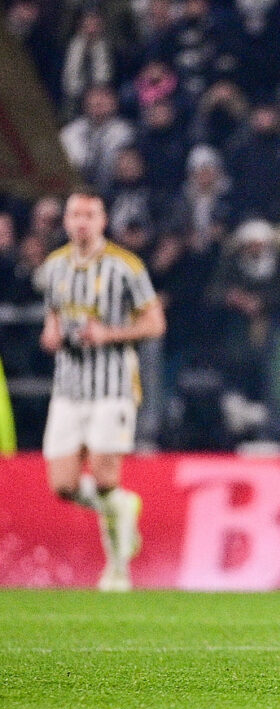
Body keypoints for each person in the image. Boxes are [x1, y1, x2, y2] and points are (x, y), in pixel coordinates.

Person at [38, 189, 166, 591]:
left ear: (103, 221)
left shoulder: (126, 267)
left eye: (89, 215)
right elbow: (52, 321)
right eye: (74, 214)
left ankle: (117, 571)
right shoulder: (53, 267)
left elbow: (155, 324)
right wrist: (52, 336)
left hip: (112, 387)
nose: (81, 222)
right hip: (68, 388)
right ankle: (124, 508)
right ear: (65, 220)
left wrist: (110, 334)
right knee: (64, 485)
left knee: (105, 477)